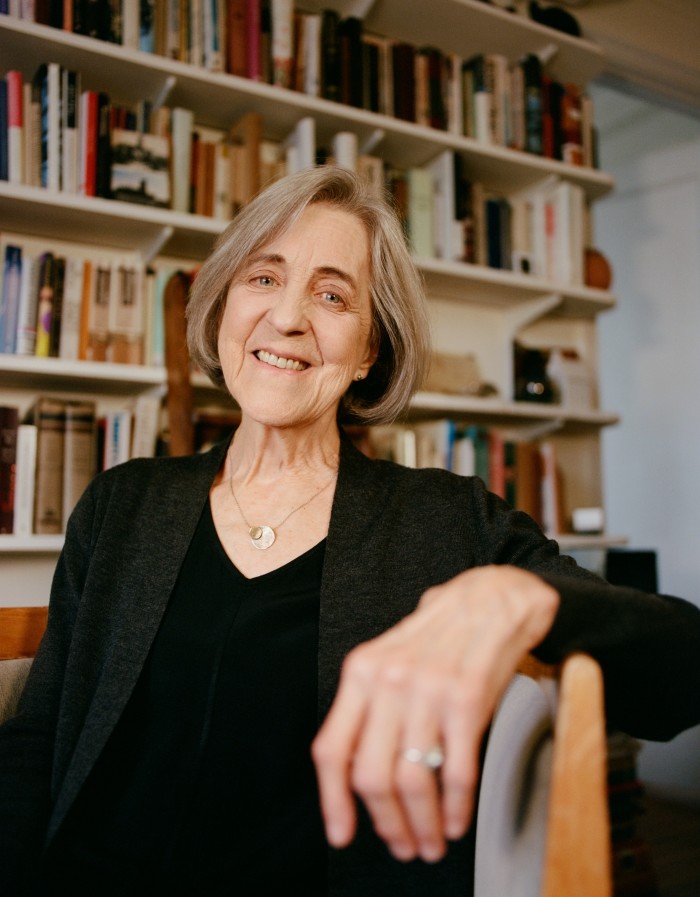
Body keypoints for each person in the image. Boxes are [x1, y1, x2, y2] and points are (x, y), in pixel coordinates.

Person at [1, 165, 699, 897]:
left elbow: (683, 676)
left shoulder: (447, 520)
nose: (288, 317)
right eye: (263, 278)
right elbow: (35, 742)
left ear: (369, 348)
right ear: (223, 304)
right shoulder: (121, 505)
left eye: (332, 294)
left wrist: (530, 600)